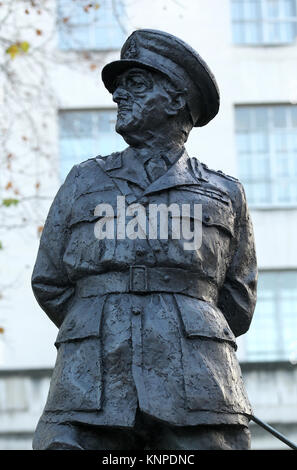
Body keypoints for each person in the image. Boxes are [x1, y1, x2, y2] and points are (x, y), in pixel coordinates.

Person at [32, 29, 257, 450]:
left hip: (200, 386)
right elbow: (49, 281)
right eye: (118, 88)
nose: (119, 96)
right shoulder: (84, 181)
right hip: (88, 384)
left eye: (135, 84)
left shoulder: (224, 192)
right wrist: (102, 320)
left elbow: (238, 301)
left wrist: (170, 326)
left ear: (176, 100)